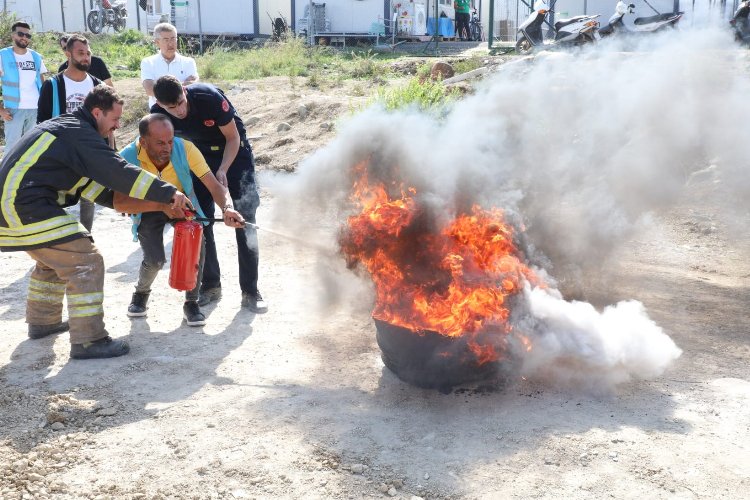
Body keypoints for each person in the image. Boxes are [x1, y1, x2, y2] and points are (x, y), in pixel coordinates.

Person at [0, 85, 193, 360]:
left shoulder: (71, 137)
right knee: (86, 259)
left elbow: (110, 197)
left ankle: (43, 322)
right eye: (114, 120)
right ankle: (89, 340)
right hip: (21, 205)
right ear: (97, 112)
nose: (116, 127)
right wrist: (168, 192)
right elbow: (118, 171)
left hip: (16, 204)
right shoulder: (79, 134)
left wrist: (162, 206)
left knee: (56, 256)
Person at [151, 75, 267, 313]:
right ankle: (211, 285)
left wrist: (223, 170)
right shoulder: (158, 116)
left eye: (181, 102)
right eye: (171, 108)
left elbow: (233, 138)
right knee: (201, 221)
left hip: (234, 155)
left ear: (184, 91)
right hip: (198, 161)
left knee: (244, 219)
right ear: (160, 105)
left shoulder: (208, 97)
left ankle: (250, 290)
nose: (179, 111)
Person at [119, 114, 244, 326]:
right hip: (148, 206)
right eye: (159, 143)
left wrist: (228, 208)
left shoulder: (185, 148)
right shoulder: (127, 156)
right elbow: (119, 202)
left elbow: (214, 185)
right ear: (143, 141)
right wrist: (159, 205)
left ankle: (191, 302)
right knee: (155, 260)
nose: (167, 147)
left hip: (182, 204)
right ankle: (140, 294)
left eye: (169, 141)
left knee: (196, 242)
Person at [37, 34, 104, 233]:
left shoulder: (97, 86)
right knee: (55, 196)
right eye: (80, 53)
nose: (86, 58)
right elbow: (42, 122)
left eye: (88, 53)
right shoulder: (52, 85)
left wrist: (110, 150)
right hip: (60, 152)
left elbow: (106, 122)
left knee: (88, 197)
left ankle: (86, 238)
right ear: (68, 54)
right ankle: (55, 239)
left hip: (89, 151)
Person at [0, 22, 47, 151]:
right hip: (13, 110)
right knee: (12, 148)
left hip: (35, 109)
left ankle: (28, 172)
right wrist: (1, 110)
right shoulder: (2, 55)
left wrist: (44, 106)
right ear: (12, 35)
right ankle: (6, 172)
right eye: (20, 34)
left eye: (27, 35)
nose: (24, 37)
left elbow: (43, 83)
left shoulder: (36, 57)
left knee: (31, 148)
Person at [141, 23, 198, 108]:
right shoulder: (148, 62)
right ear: (157, 42)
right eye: (166, 40)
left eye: (173, 39)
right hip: (159, 112)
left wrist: (160, 89)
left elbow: (192, 88)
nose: (170, 43)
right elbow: (149, 90)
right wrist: (182, 85)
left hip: (183, 111)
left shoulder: (189, 62)